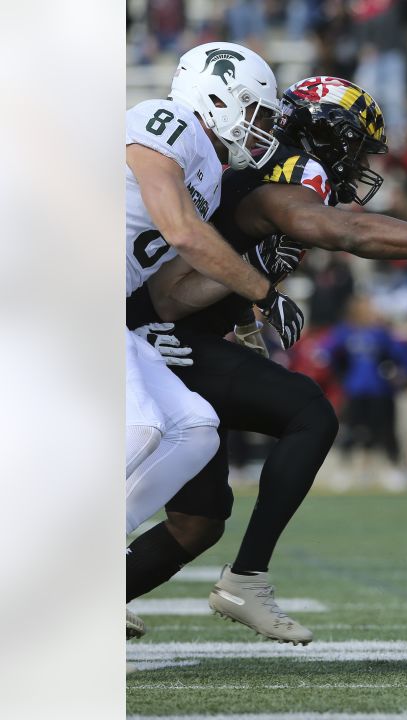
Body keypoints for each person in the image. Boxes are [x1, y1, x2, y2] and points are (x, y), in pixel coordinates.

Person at [124, 76, 407, 644]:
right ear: (324, 133)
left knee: (199, 520)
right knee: (309, 412)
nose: (361, 166)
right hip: (155, 337)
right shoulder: (282, 174)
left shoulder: (264, 176)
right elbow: (337, 228)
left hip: (174, 333)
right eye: (357, 147)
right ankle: (247, 578)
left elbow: (231, 258)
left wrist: (243, 321)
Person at [125, 40, 299, 538]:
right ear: (217, 97)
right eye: (256, 113)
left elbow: (170, 292)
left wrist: (249, 281)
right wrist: (265, 293)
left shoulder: (213, 177)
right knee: (141, 427)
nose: (262, 130)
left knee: (195, 429)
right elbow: (181, 230)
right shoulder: (167, 120)